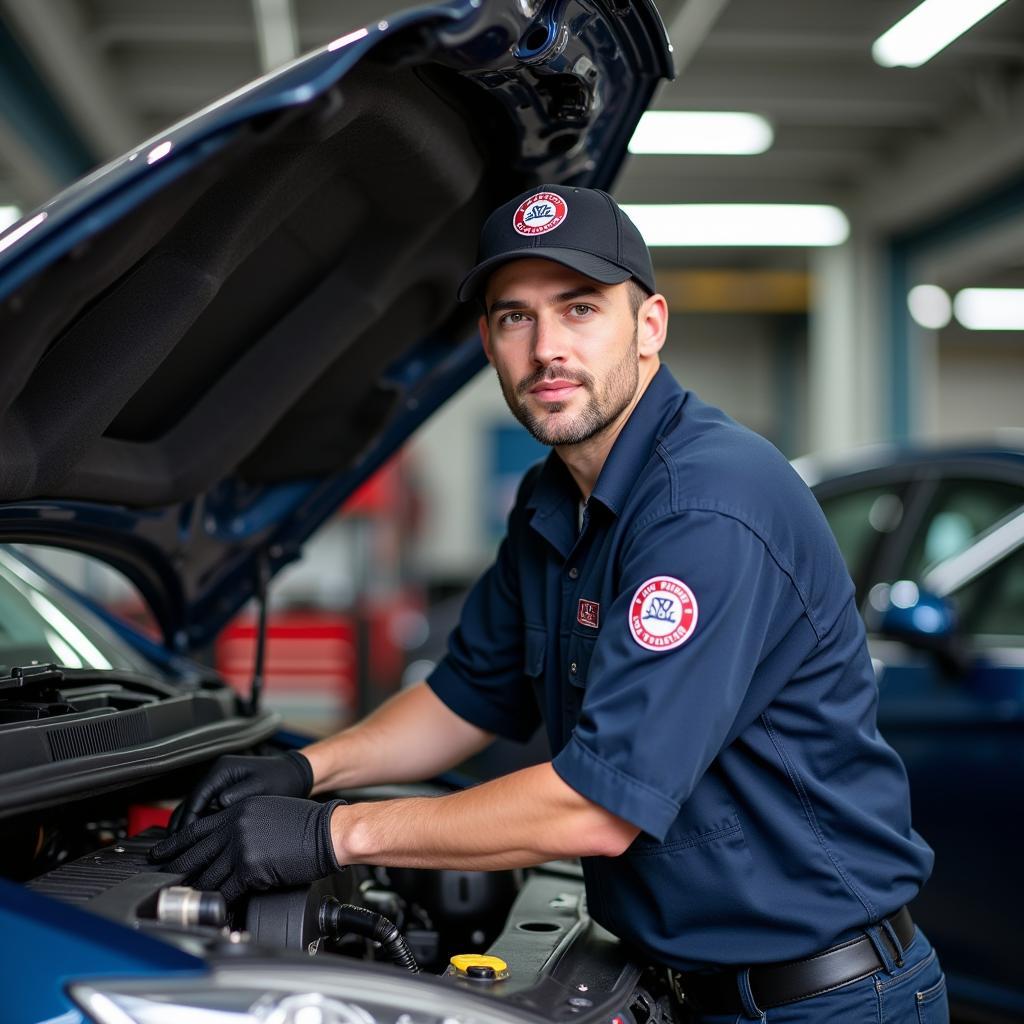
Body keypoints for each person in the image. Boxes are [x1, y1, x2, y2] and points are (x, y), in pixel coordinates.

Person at [152, 185, 947, 1023]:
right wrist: (310, 767)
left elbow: (595, 808)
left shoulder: (705, 505)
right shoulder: (552, 502)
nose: (545, 349)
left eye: (579, 309)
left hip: (825, 1001)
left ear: (649, 328)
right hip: (689, 985)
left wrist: (331, 833)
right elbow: (466, 694)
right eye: (513, 318)